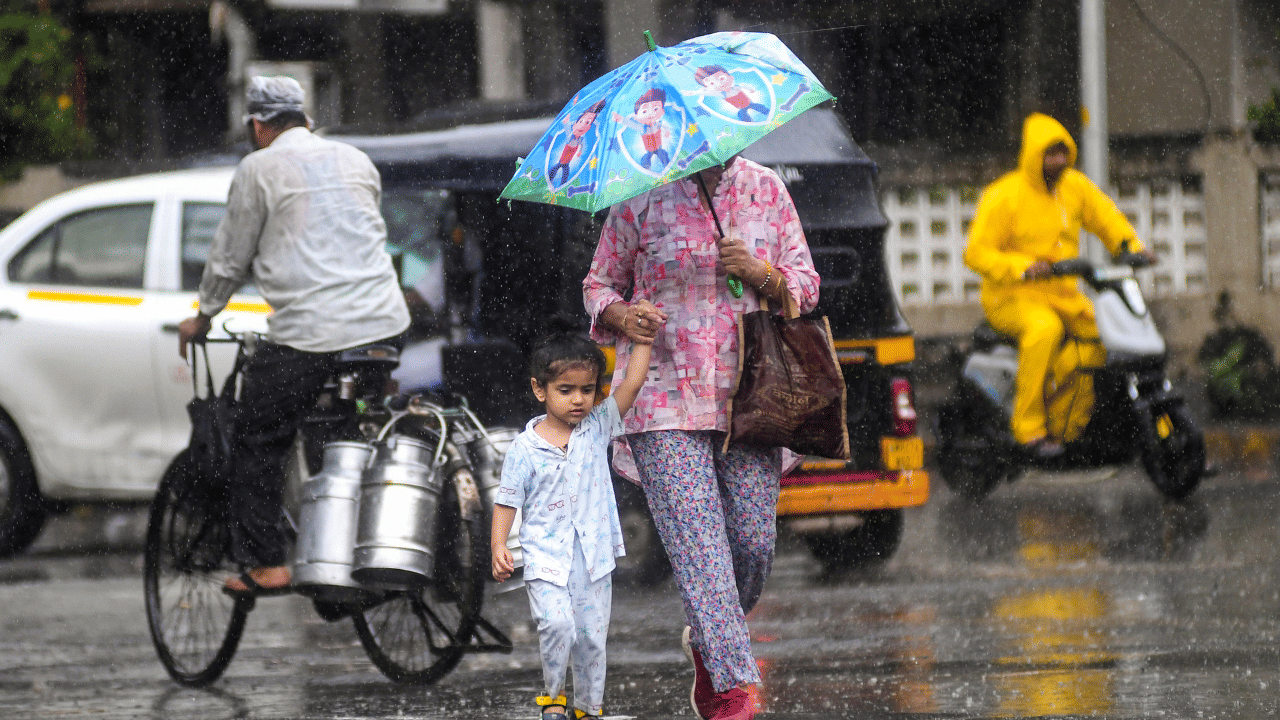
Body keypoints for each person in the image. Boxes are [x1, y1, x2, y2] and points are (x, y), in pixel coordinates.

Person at [583, 155, 820, 720]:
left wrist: (761, 272)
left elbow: (805, 286)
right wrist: (622, 316)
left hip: (752, 397)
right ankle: (734, 692)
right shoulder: (639, 195)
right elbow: (598, 284)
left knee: (752, 546)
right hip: (663, 399)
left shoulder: (766, 187)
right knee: (702, 549)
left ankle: (710, 640)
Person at [177, 76, 410, 595]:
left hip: (312, 332)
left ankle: (268, 563)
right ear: (304, 117)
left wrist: (205, 314)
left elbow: (230, 255)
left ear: (259, 127)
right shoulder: (356, 160)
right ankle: (350, 551)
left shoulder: (258, 168)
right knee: (345, 433)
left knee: (258, 437)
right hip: (384, 326)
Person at [490, 318, 659, 720]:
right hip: (545, 555)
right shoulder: (524, 448)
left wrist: (642, 341)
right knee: (556, 625)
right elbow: (506, 501)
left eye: (587, 390)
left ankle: (588, 708)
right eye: (565, 391)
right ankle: (553, 697)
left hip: (593, 556)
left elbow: (631, 385)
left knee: (591, 639)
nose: (578, 400)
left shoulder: (597, 428)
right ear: (539, 389)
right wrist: (499, 545)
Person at [964, 112, 1156, 458]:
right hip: (1011, 297)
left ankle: (1068, 425)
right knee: (1045, 331)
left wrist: (1130, 247)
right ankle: (1028, 429)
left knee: (1106, 337)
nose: (1059, 161)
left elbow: (1106, 217)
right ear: (1034, 155)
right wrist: (1024, 268)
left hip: (1063, 293)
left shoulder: (1075, 187)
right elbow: (976, 254)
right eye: (1051, 153)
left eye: (1063, 152)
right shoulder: (1004, 195)